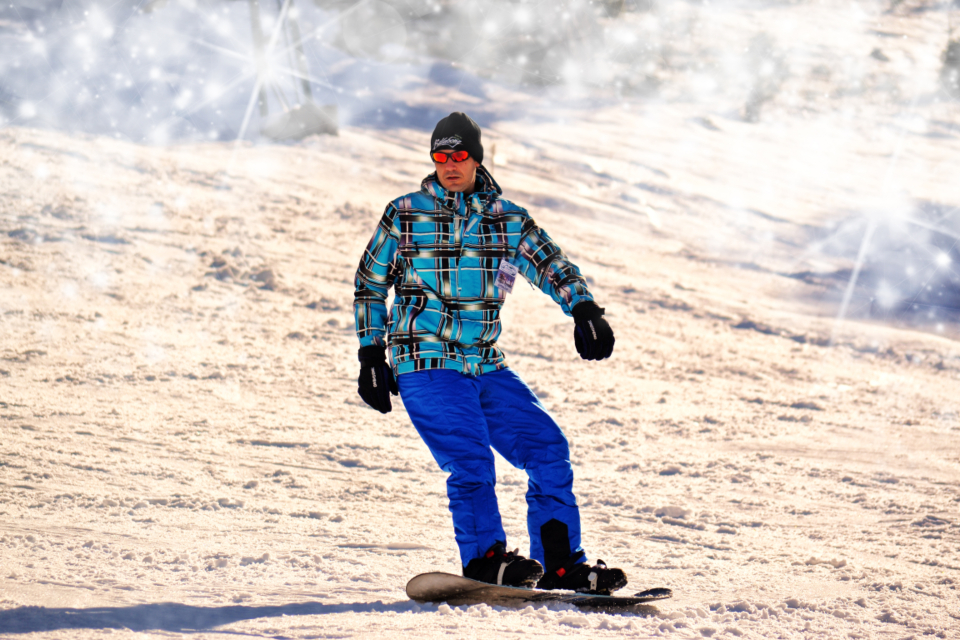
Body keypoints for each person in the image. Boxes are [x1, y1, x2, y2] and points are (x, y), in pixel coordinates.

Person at [353, 112, 624, 594]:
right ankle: (484, 560)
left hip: (485, 363)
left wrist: (583, 308)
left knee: (547, 449)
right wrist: (371, 356)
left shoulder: (508, 219)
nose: (450, 164)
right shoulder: (404, 213)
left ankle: (560, 562)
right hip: (426, 361)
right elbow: (371, 285)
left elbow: (551, 263)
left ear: (477, 158)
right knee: (472, 461)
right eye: (441, 155)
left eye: (460, 155)